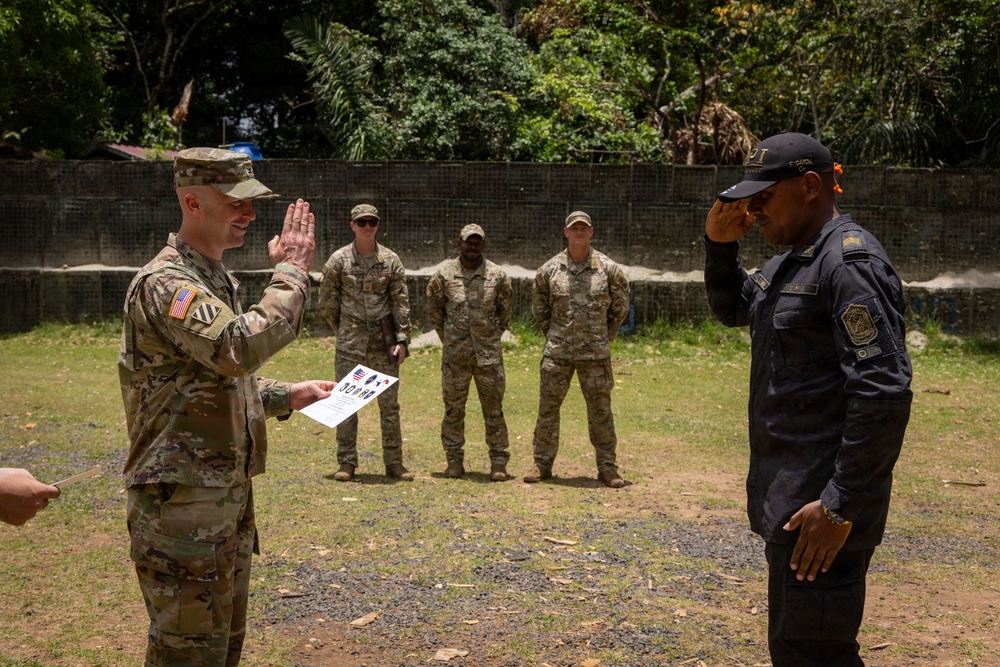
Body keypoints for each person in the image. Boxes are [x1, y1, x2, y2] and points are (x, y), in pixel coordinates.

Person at [119, 147, 335, 667]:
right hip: (183, 504)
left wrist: (287, 394)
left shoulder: (213, 278)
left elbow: (203, 382)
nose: (250, 214)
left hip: (218, 497)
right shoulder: (167, 283)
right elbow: (237, 348)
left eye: (252, 202)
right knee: (188, 654)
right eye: (236, 202)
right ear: (193, 203)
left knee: (220, 647)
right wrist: (291, 273)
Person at [703, 132, 913, 666]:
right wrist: (720, 247)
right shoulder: (792, 264)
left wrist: (840, 504)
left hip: (821, 511)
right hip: (796, 502)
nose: (753, 211)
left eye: (764, 197)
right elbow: (733, 308)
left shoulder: (848, 265)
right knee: (801, 649)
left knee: (813, 654)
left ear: (811, 186)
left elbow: (884, 392)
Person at [525, 211, 630, 488]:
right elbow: (540, 309)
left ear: (591, 232)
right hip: (557, 353)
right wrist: (555, 334)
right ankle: (541, 464)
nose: (579, 232)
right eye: (575, 228)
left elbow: (620, 307)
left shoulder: (608, 269)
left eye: (584, 228)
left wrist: (603, 336)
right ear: (566, 232)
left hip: (595, 355)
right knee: (548, 410)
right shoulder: (549, 270)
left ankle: (607, 467)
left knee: (601, 411)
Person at [318, 204, 413, 482]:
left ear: (378, 224)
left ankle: (394, 464)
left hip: (384, 345)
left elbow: (400, 302)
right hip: (350, 345)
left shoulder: (391, 261)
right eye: (362, 222)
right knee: (346, 403)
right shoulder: (339, 261)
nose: (367, 227)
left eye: (372, 222)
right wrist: (345, 329)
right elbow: (327, 302)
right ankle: (346, 463)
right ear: (352, 226)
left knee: (389, 407)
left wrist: (402, 339)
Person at [426, 224, 514, 481]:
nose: (473, 246)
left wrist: (488, 338)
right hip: (456, 357)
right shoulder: (443, 276)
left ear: (483, 244)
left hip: (489, 358)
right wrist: (452, 340)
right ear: (459, 243)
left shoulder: (498, 276)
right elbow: (436, 313)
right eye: (468, 242)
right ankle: (454, 462)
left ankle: (498, 463)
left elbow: (504, 314)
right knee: (453, 410)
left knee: (494, 411)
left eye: (477, 242)